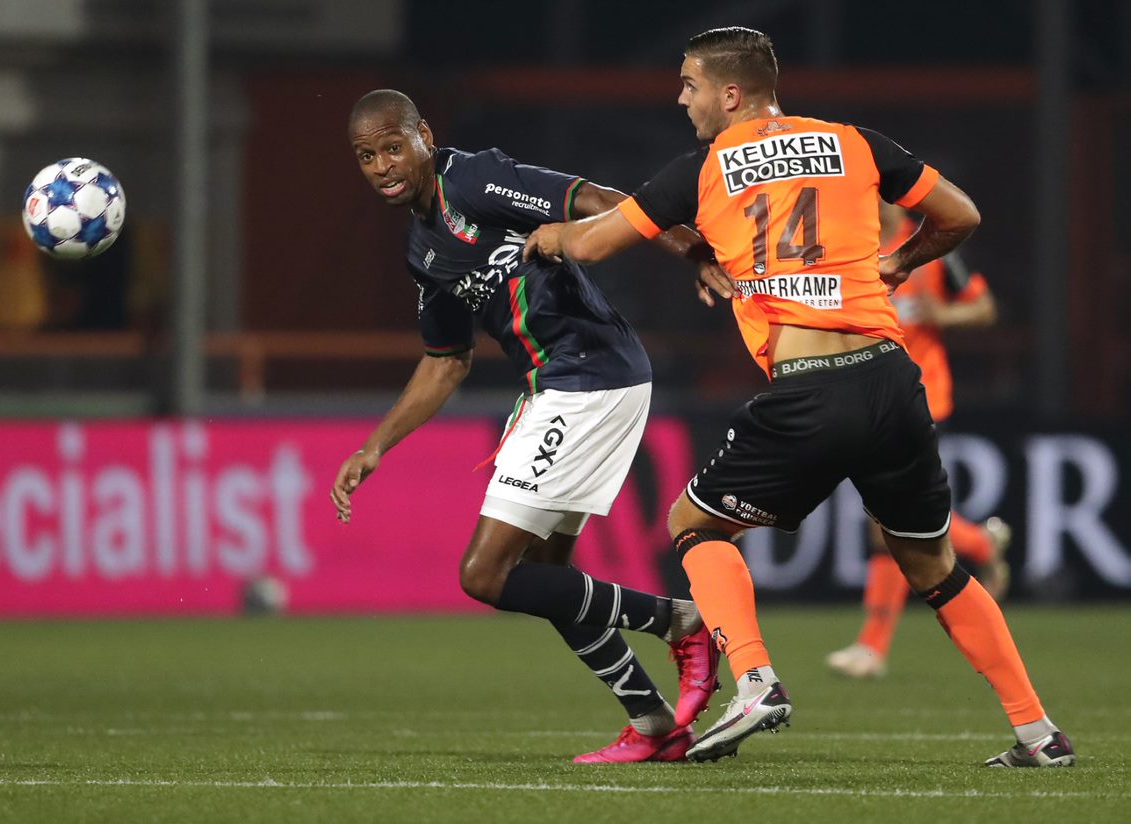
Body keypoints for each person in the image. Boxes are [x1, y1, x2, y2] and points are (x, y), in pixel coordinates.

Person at [524, 28, 1074, 767]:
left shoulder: (704, 168)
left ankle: (753, 682)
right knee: (935, 567)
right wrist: (898, 262)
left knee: (693, 524)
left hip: (812, 390)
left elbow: (591, 244)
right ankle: (1038, 733)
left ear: (730, 92)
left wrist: (545, 234)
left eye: (689, 84)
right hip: (890, 377)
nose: (680, 97)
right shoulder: (855, 143)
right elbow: (961, 215)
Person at [331, 89, 720, 764]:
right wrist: (375, 448)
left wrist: (692, 252)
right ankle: (655, 724)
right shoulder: (423, 249)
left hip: (589, 375)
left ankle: (682, 621)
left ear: (424, 135)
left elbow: (598, 199)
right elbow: (445, 363)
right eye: (366, 156)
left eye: (393, 147)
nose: (381, 166)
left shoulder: (475, 179)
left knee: (484, 574)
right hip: (560, 386)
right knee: (546, 575)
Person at [827, 201, 1011, 679]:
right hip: (867, 396)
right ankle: (979, 543)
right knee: (897, 518)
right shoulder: (850, 241)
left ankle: (871, 647)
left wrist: (942, 314)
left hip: (922, 396)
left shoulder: (929, 247)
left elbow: (985, 307)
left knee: (885, 521)